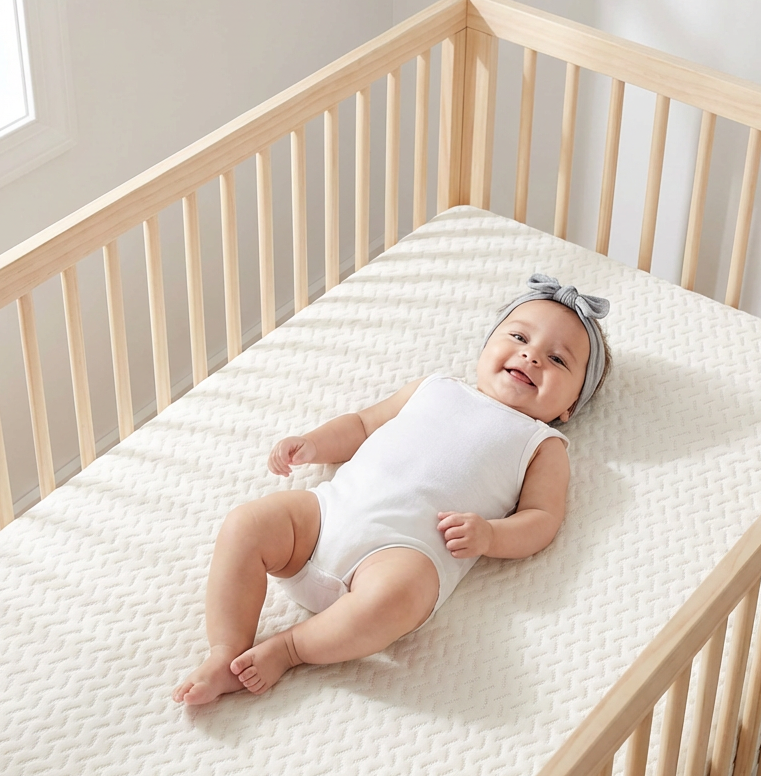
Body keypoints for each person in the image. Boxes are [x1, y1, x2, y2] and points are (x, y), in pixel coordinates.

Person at [173, 274, 611, 706]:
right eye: (518, 336)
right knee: (246, 524)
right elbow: (363, 424)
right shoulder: (434, 387)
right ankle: (225, 652)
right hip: (325, 517)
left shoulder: (541, 444)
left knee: (400, 595)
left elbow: (542, 518)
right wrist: (314, 444)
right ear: (487, 345)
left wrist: (491, 536)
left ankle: (289, 649)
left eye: (558, 360)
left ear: (571, 405)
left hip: (399, 556)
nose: (531, 357)